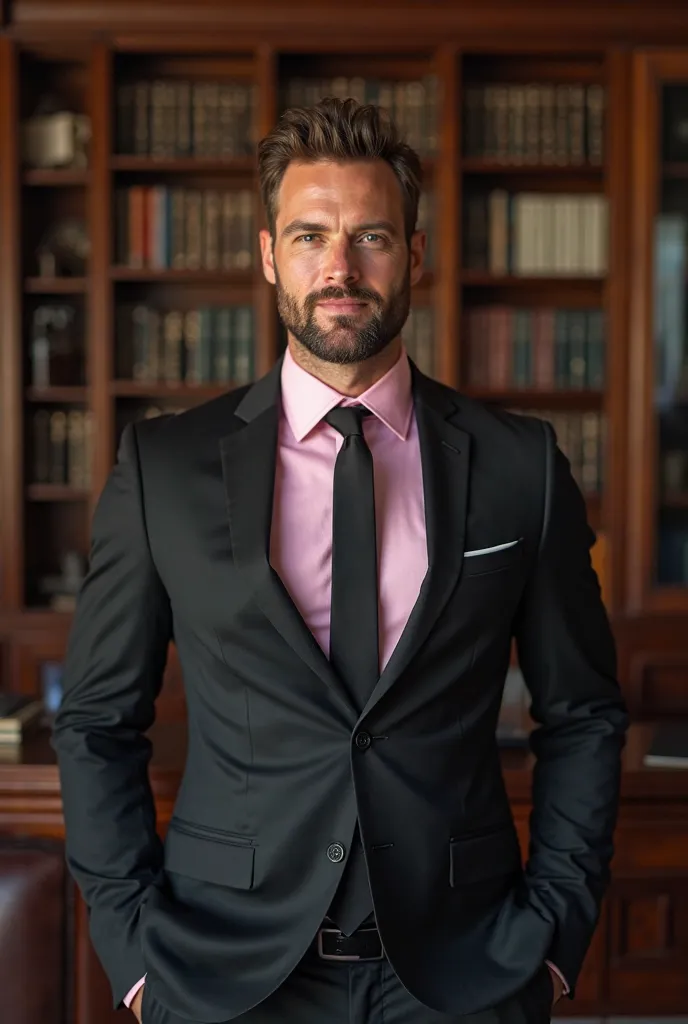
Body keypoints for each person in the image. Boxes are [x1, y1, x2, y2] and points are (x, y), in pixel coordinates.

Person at [52, 98, 629, 1024]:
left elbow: (584, 714)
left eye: (371, 236)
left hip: (463, 970)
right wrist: (133, 946)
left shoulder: (522, 465)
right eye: (311, 235)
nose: (341, 267)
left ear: (415, 253)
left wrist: (553, 937)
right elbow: (95, 724)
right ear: (271, 255)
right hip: (224, 972)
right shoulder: (164, 468)